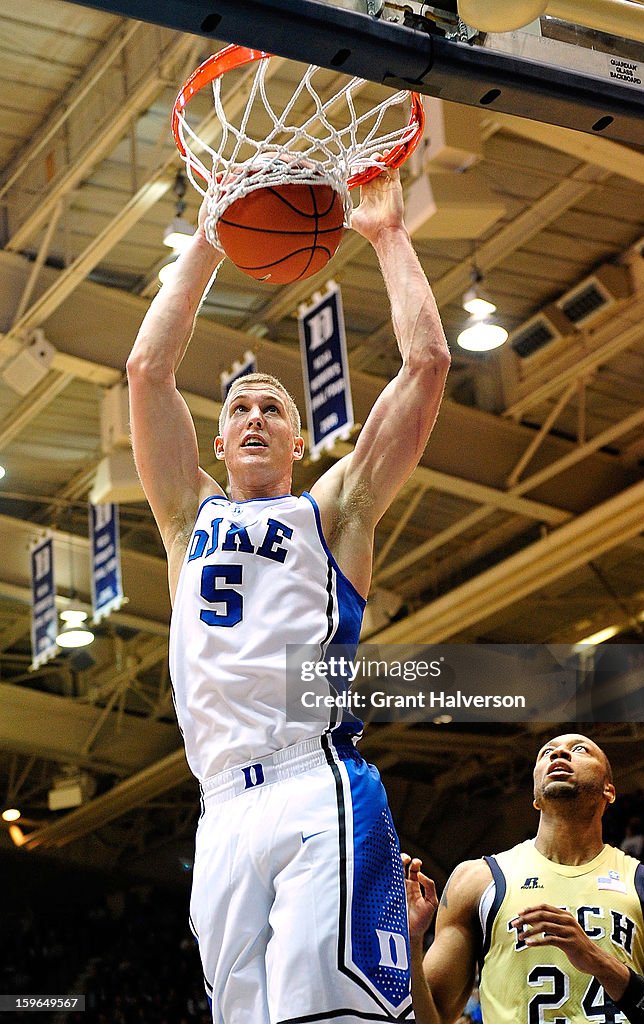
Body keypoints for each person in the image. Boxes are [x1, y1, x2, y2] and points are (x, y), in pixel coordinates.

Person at [126, 162, 450, 1024]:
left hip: (317, 782)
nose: (257, 417)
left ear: (299, 441)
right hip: (220, 808)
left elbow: (427, 364)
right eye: (240, 410)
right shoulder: (183, 516)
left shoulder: (334, 510)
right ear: (221, 443)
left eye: (273, 407)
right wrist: (205, 236)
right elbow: (147, 370)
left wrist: (388, 235)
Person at [404, 733, 644, 1024]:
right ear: (535, 797)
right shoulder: (476, 880)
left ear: (609, 790)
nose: (559, 754)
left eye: (580, 749)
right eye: (547, 752)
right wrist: (413, 942)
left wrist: (599, 961)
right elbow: (432, 1019)